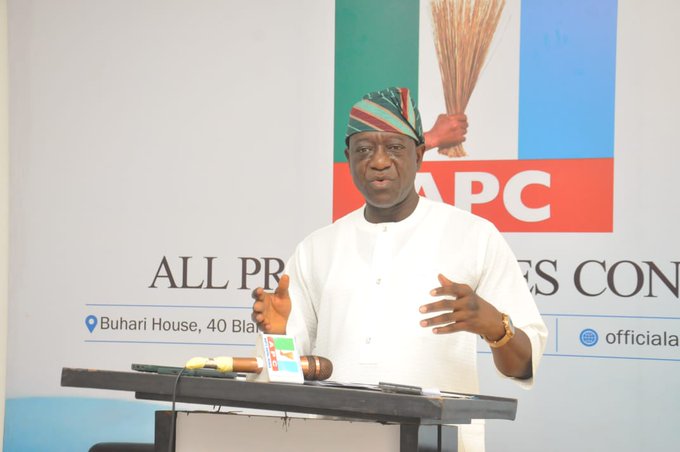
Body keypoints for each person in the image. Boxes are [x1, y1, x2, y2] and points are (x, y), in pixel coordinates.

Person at [251, 87, 547, 452]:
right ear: (348, 158)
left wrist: (495, 327)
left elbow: (523, 363)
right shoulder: (316, 248)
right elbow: (285, 377)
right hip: (333, 442)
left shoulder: (474, 236)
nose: (378, 161)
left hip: (436, 443)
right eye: (364, 149)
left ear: (419, 155)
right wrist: (278, 336)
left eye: (394, 147)